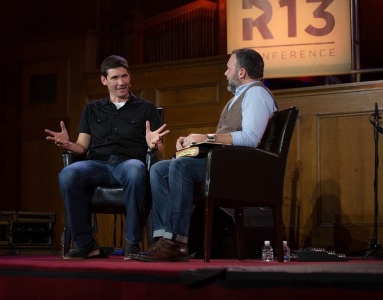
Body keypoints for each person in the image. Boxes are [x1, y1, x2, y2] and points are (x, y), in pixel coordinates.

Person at [129, 48, 279, 262]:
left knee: (180, 167)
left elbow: (250, 139)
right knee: (158, 169)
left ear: (242, 72)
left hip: (241, 171)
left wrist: (205, 138)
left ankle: (177, 243)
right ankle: (163, 240)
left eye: (228, 68)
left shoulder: (256, 93)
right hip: (225, 164)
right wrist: (193, 143)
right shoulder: (238, 98)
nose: (225, 73)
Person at [45, 55, 169, 260]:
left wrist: (153, 145)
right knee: (68, 174)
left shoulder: (146, 108)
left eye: (124, 76)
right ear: (104, 80)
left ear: (129, 76)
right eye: (115, 78)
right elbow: (82, 147)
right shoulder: (92, 109)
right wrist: (67, 144)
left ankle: (132, 244)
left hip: (128, 163)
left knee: (135, 169)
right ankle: (86, 244)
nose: (121, 82)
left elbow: (160, 153)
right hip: (98, 164)